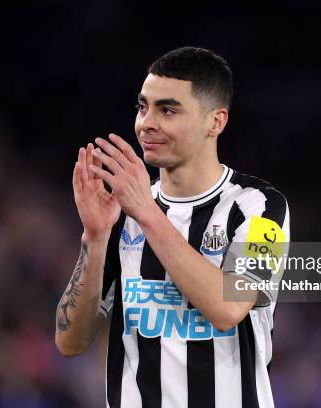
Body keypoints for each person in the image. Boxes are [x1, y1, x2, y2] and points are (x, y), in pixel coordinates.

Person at [55, 46, 290, 408]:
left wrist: (148, 214)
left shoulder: (260, 206)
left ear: (216, 122)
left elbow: (228, 308)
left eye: (167, 110)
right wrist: (96, 237)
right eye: (142, 106)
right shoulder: (123, 213)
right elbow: (70, 342)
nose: (147, 122)